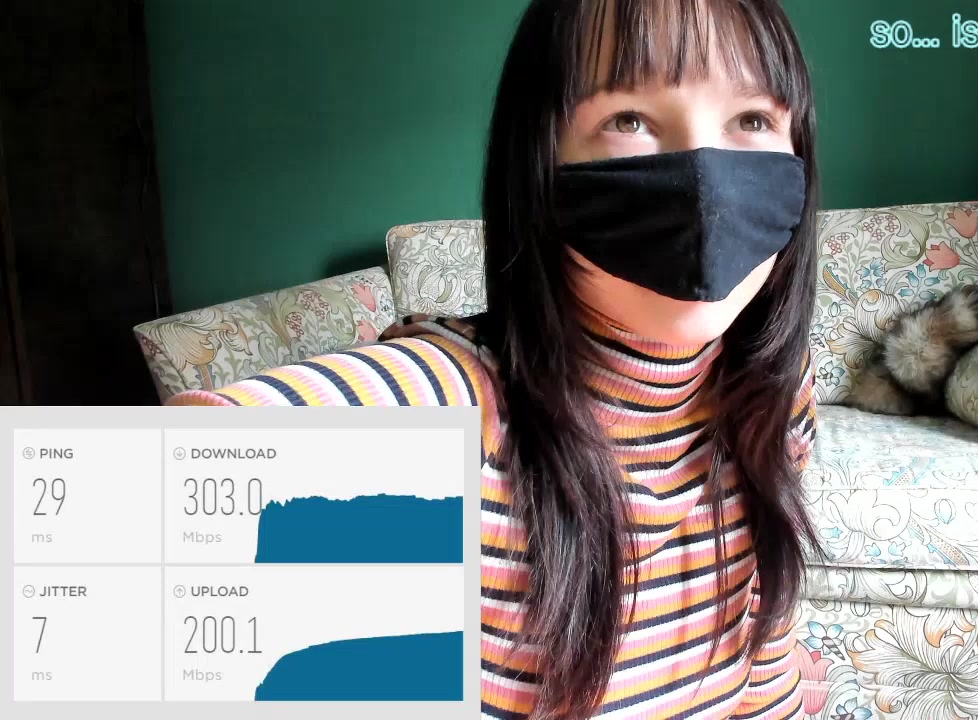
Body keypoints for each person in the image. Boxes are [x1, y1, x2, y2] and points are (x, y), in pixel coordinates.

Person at [168, 0, 822, 717]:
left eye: (751, 120)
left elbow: (764, 666)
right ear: (539, 166)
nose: (705, 181)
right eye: (629, 119)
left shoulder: (777, 396)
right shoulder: (461, 409)